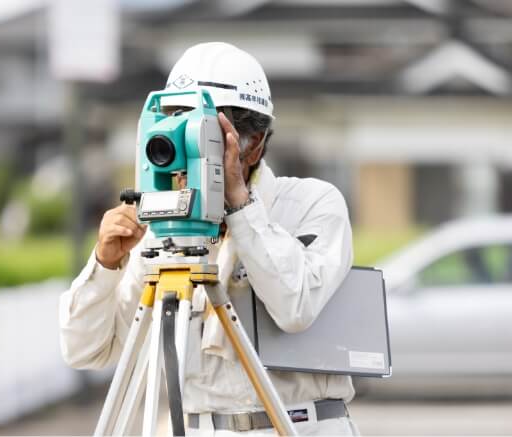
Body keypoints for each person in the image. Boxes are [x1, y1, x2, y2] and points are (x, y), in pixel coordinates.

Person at [59, 42, 359, 435]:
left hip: (299, 426)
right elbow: (86, 350)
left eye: (203, 133)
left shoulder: (311, 204)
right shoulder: (159, 236)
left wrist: (240, 206)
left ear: (255, 145)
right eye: (175, 126)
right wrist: (104, 265)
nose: (185, 147)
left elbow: (294, 305)